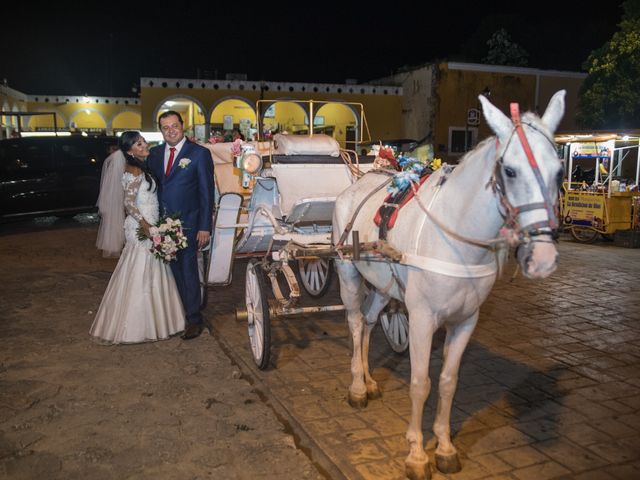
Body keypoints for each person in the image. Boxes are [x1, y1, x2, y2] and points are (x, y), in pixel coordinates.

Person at [90, 131, 185, 344]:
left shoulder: (143, 166)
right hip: (141, 228)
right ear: (130, 150)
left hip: (152, 223)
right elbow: (129, 203)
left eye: (142, 141)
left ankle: (160, 321)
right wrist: (148, 227)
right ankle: (136, 326)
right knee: (139, 270)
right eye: (138, 143)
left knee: (154, 270)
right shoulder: (132, 170)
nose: (144, 144)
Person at [148, 111, 214, 340]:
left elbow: (207, 193)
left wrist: (205, 226)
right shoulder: (154, 154)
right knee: (172, 271)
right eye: (165, 127)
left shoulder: (199, 154)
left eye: (174, 125)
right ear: (161, 130)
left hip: (190, 223)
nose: (170, 130)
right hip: (162, 224)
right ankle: (177, 313)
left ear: (183, 126)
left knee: (188, 270)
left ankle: (194, 319)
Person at [95, 147, 126, 257]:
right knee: (118, 219)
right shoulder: (122, 159)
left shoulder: (112, 162)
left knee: (113, 220)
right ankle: (118, 244)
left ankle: (112, 244)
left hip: (111, 195)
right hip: (118, 195)